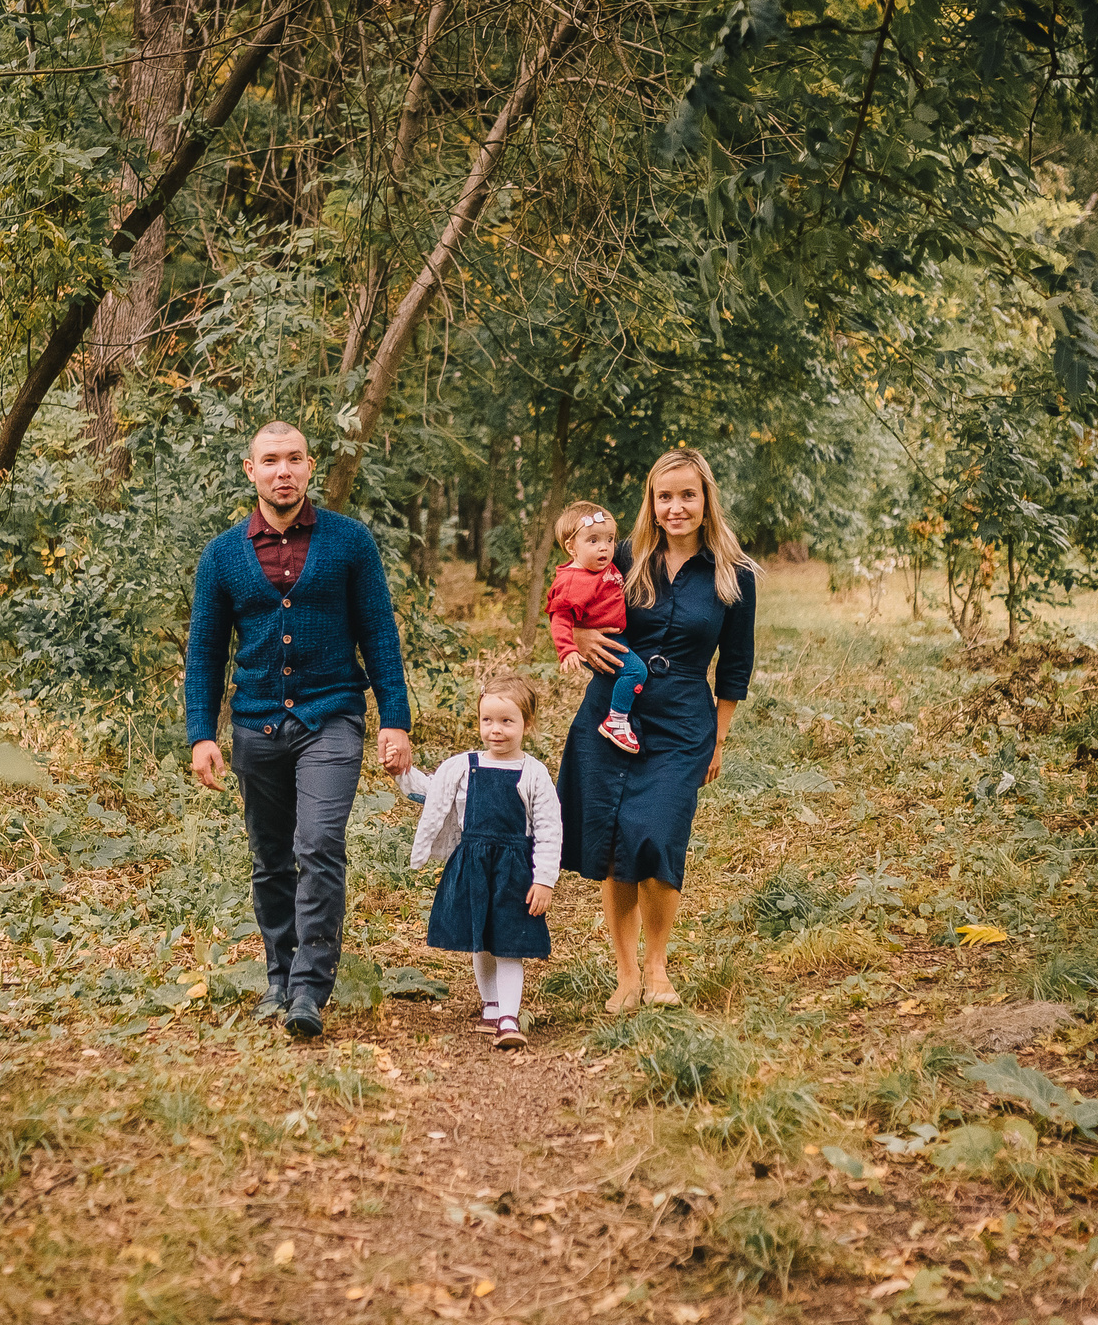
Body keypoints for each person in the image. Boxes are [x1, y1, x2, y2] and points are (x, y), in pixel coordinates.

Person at [185, 421, 414, 1039]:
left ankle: (310, 988)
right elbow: (205, 650)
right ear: (250, 470)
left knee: (317, 844)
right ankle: (279, 976)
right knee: (270, 857)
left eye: (293, 460)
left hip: (331, 715)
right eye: (270, 461)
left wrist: (396, 719)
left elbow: (380, 635)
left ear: (311, 467)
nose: (282, 471)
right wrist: (201, 732)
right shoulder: (222, 555)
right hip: (255, 725)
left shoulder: (349, 542)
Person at [556, 447, 758, 1013]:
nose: (676, 507)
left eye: (687, 495)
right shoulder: (621, 556)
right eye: (664, 496)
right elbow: (568, 598)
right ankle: (625, 976)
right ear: (652, 501)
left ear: (705, 499)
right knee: (616, 842)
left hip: (681, 723)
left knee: (658, 836)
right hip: (610, 712)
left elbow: (736, 666)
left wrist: (717, 740)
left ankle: (657, 967)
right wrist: (581, 640)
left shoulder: (733, 573)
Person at [406, 675, 559, 1051]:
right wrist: (402, 772)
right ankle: (490, 1006)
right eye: (487, 720)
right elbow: (430, 793)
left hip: (513, 871)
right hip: (473, 865)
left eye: (507, 721)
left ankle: (510, 1015)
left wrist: (544, 880)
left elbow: (549, 829)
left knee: (509, 942)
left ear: (527, 723)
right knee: (482, 940)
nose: (496, 730)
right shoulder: (463, 766)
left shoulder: (533, 772)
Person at [545, 501, 649, 754]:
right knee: (636, 673)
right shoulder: (573, 580)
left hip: (617, 636)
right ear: (571, 547)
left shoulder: (600, 566)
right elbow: (560, 618)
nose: (604, 547)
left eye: (610, 539)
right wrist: (568, 649)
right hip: (601, 643)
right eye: (593, 541)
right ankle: (616, 721)